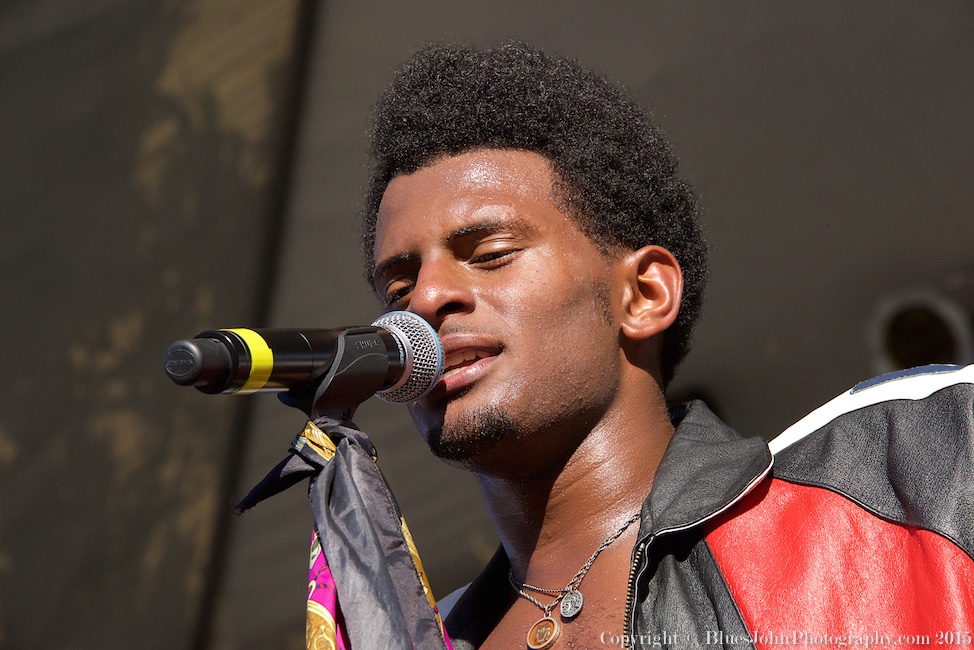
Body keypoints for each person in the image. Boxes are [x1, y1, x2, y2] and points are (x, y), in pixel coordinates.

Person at [362, 42, 974, 650]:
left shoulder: (921, 465)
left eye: (490, 255)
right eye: (399, 285)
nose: (426, 298)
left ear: (643, 295)